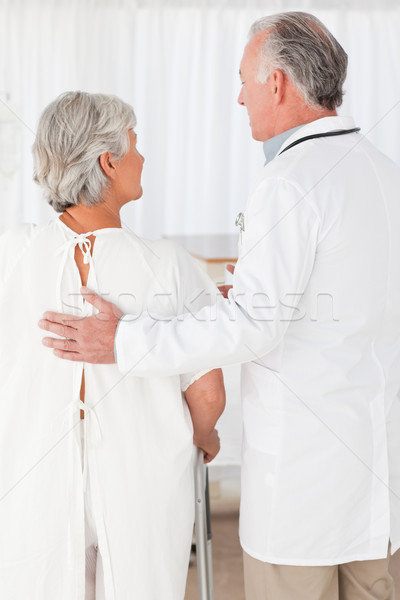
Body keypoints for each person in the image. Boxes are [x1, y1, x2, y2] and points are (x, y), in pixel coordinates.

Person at [39, 12, 400, 600]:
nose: (239, 98)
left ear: (277, 84)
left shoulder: (289, 181)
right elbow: (364, 301)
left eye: (243, 81)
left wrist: (123, 341)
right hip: (377, 480)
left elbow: (252, 329)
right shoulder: (386, 173)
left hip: (305, 490)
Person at [0, 91, 226, 600]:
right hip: (141, 487)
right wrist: (207, 439)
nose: (142, 158)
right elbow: (208, 396)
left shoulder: (11, 251)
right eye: (135, 146)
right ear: (108, 161)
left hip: (31, 482)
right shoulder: (168, 264)